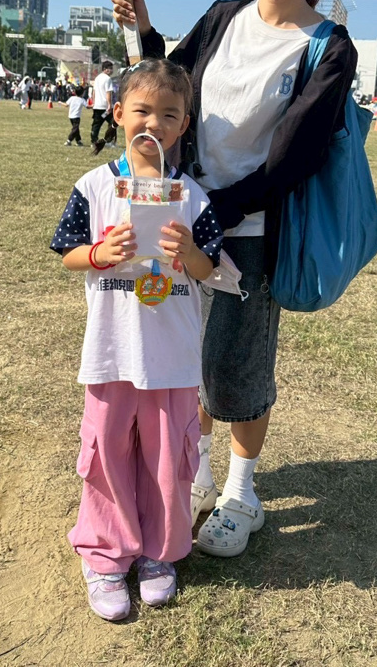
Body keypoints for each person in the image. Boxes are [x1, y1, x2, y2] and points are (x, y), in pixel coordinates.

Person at [112, 0, 358, 558]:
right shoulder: (224, 17)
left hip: (251, 232)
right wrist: (145, 30)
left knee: (235, 368)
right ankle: (197, 474)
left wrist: (215, 213)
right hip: (183, 218)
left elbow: (297, 157)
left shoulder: (329, 46)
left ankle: (241, 495)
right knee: (183, 354)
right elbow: (173, 82)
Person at [51, 59, 224, 620]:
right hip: (111, 353)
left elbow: (211, 268)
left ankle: (159, 552)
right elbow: (68, 252)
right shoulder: (94, 187)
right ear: (119, 112)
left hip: (171, 360)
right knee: (106, 454)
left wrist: (189, 254)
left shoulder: (192, 197)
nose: (155, 122)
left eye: (170, 114)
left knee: (168, 459)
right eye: (143, 110)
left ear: (184, 125)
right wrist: (100, 254)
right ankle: (105, 553)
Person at [89, 60, 114, 154]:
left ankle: (93, 141)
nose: (112, 70)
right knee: (113, 123)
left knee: (96, 124)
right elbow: (108, 93)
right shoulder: (107, 79)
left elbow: (94, 92)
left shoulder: (97, 78)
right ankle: (109, 141)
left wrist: (94, 102)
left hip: (97, 106)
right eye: (110, 68)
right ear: (105, 69)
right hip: (105, 107)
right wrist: (109, 105)